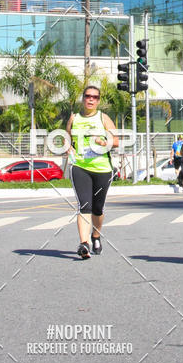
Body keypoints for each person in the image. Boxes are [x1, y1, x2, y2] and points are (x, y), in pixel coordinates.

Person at [66, 85, 119, 259]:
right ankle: (84, 244)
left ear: (98, 100)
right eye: (88, 96)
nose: (91, 99)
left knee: (97, 208)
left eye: (95, 97)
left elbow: (117, 141)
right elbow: (67, 138)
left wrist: (104, 142)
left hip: (102, 169)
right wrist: (68, 148)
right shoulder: (74, 118)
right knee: (84, 206)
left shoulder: (103, 118)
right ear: (83, 98)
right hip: (80, 167)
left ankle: (95, 236)